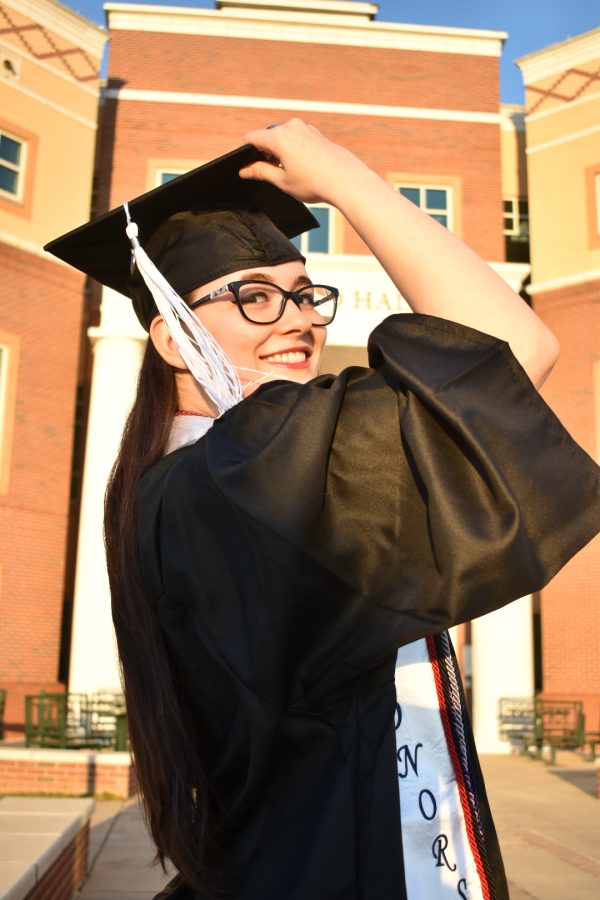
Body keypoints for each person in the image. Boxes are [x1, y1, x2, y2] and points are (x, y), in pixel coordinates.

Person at [46, 119, 599, 900]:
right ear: (172, 340)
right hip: (347, 863)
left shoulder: (175, 485)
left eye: (307, 294)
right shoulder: (239, 474)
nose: (300, 318)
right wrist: (345, 176)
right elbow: (514, 347)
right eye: (257, 296)